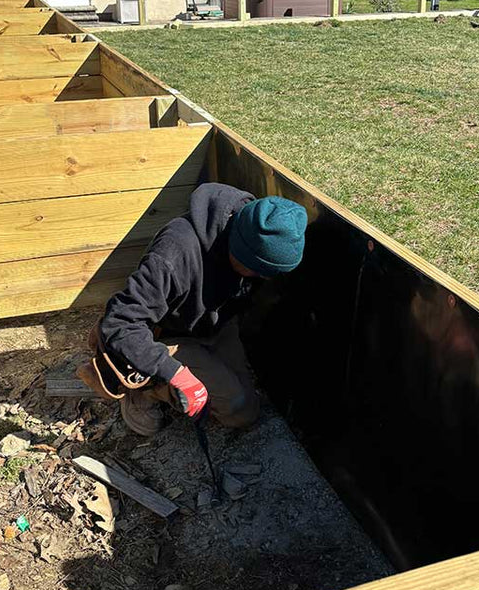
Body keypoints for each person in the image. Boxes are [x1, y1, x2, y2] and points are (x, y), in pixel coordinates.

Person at [79, 183, 308, 436]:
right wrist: (173, 372)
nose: (263, 279)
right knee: (237, 410)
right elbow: (121, 320)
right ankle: (142, 387)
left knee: (247, 409)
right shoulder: (175, 253)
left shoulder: (254, 232)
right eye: (258, 271)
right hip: (165, 333)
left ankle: (176, 367)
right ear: (239, 250)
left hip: (213, 325)